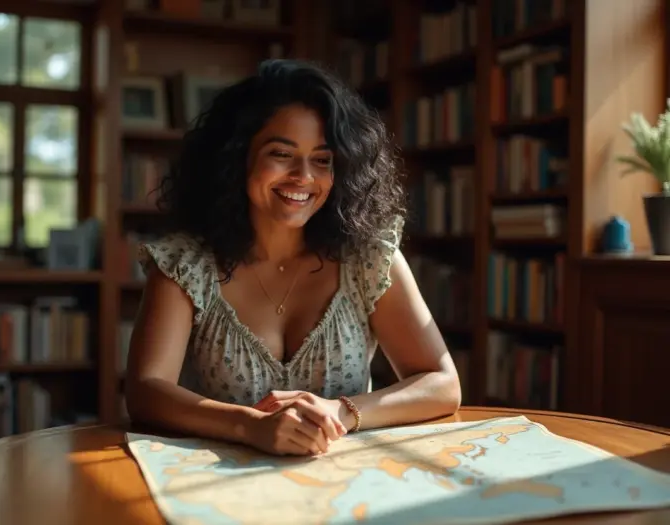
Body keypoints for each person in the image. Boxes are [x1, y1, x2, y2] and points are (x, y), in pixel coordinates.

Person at [125, 59, 461, 457]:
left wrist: (343, 411)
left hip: (352, 495)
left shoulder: (369, 257)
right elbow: (145, 391)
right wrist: (250, 425)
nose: (304, 176)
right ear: (236, 158)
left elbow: (442, 384)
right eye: (282, 153)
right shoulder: (185, 264)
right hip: (219, 496)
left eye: (322, 159)